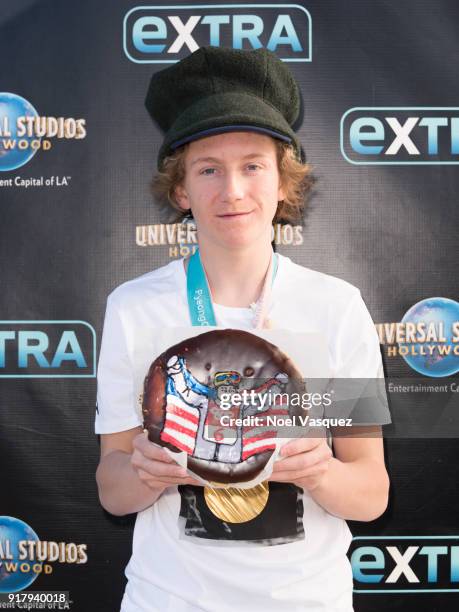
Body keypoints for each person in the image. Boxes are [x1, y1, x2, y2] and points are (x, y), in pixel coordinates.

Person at [95, 46, 390, 611]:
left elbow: (371, 494)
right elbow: (112, 490)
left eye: (253, 165)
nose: (232, 190)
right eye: (208, 169)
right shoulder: (134, 307)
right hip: (169, 600)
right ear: (181, 191)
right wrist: (146, 473)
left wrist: (322, 472)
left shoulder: (336, 306)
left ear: (283, 181)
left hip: (306, 600)